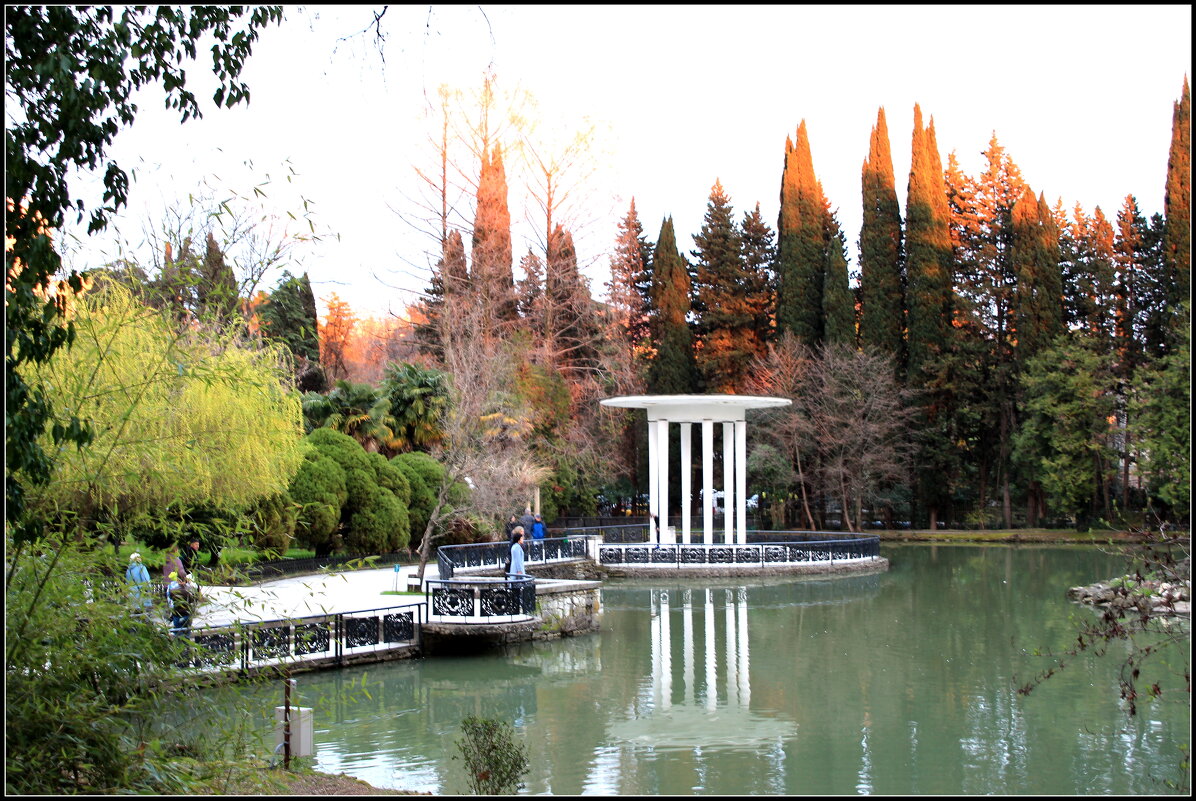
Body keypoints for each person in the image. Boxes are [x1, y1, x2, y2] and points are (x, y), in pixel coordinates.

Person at [166, 571, 194, 638]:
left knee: (178, 633)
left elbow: (170, 600)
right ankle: (187, 646)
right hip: (187, 613)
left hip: (177, 614)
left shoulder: (173, 590)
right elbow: (192, 600)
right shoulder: (190, 589)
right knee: (187, 632)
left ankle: (179, 644)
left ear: (177, 580)